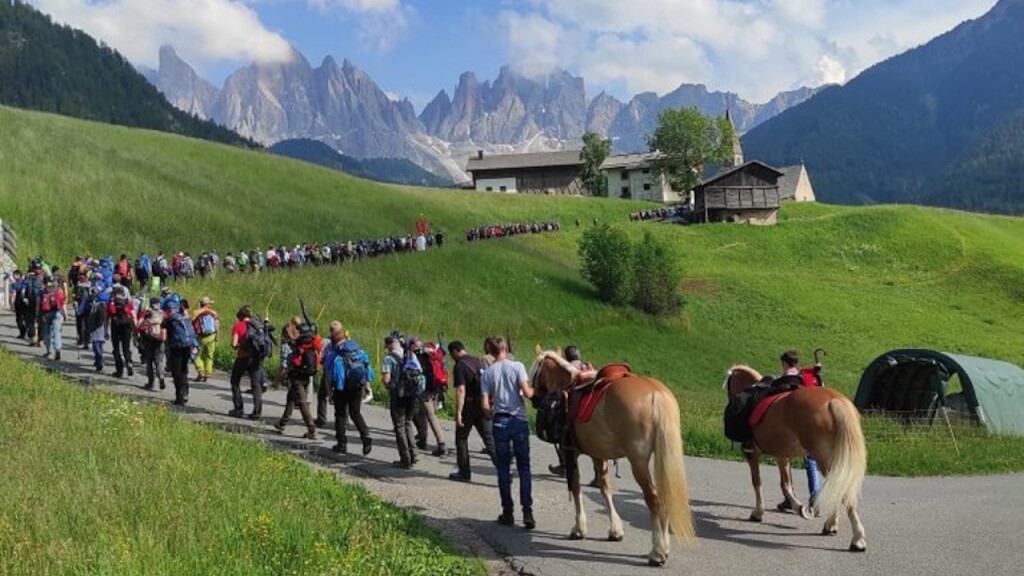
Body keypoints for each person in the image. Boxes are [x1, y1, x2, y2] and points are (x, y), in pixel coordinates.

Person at [481, 335, 536, 529]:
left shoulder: (487, 373)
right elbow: (528, 393)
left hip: (500, 422)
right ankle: (527, 511)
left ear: (491, 351)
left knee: (503, 468)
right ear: (505, 349)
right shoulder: (517, 366)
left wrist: (493, 410)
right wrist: (537, 391)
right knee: (524, 467)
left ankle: (507, 511)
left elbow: (485, 405)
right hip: (519, 420)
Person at [448, 341, 495, 482]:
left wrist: (458, 413)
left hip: (468, 406)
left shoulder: (460, 366)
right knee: (489, 440)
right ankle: (504, 470)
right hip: (482, 404)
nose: (452, 357)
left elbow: (461, 390)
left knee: (461, 438)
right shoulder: (477, 360)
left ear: (455, 351)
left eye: (452, 354)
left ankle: (464, 472)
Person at [323, 321, 372, 455]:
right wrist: (367, 386)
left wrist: (329, 392)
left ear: (332, 336)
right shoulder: (356, 350)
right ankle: (366, 436)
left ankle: (341, 444)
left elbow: (327, 375)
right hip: (357, 386)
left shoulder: (333, 354)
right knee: (355, 413)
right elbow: (366, 368)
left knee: (340, 415)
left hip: (341, 388)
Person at [274, 321, 318, 439]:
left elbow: (290, 357)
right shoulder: (305, 343)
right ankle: (282, 423)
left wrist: (278, 380)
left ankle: (311, 429)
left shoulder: (298, 344)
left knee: (302, 403)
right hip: (304, 377)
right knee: (290, 399)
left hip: (297, 377)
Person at [382, 334, 420, 469]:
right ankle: (414, 454)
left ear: (389, 345)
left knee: (399, 426)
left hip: (398, 395)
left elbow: (387, 380)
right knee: (408, 422)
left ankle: (405, 458)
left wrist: (389, 386)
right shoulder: (410, 355)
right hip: (413, 394)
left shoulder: (388, 358)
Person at [409, 337, 446, 456]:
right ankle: (422, 438)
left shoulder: (417, 356)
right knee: (422, 413)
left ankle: (441, 443)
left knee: (431, 416)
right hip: (435, 388)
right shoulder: (432, 355)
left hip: (424, 389)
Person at [229, 305, 264, 419]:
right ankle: (257, 412)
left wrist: (238, 346)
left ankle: (238, 408)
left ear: (241, 316)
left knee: (235, 381)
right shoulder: (258, 325)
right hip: (256, 358)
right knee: (256, 385)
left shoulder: (238, 325)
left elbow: (234, 344)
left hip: (243, 357)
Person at [163, 300, 196, 406]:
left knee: (176, 372)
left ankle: (179, 397)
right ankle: (186, 393)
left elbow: (163, 332)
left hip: (176, 347)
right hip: (187, 346)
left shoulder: (170, 319)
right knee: (184, 370)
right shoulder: (185, 317)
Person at [106, 283, 136, 377]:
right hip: (127, 326)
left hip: (116, 326)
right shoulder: (128, 302)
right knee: (126, 347)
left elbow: (106, 318)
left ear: (114, 294)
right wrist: (135, 329)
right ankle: (129, 362)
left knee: (116, 349)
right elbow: (134, 316)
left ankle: (119, 371)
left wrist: (106, 331)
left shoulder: (111, 303)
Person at [137, 298, 166, 390]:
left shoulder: (146, 312)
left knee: (149, 362)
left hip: (148, 340)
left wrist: (137, 334)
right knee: (159, 360)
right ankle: (161, 376)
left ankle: (151, 383)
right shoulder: (163, 313)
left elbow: (139, 324)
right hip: (160, 340)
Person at [38, 276, 66, 361]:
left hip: (46, 313)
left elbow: (38, 303)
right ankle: (58, 348)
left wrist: (37, 315)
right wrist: (65, 315)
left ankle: (49, 351)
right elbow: (63, 303)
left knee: (47, 332)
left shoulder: (43, 290)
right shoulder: (58, 290)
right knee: (57, 332)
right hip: (57, 313)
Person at [192, 297, 219, 382]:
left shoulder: (197, 312)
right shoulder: (213, 313)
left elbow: (192, 323)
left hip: (200, 337)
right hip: (211, 336)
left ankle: (200, 371)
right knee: (209, 355)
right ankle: (208, 373)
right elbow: (217, 325)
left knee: (196, 355)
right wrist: (217, 336)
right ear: (207, 304)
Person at [85, 289, 107, 372]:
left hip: (95, 326)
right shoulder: (104, 303)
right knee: (100, 344)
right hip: (102, 326)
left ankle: (99, 360)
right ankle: (99, 360)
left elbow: (84, 310)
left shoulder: (93, 303)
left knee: (95, 345)